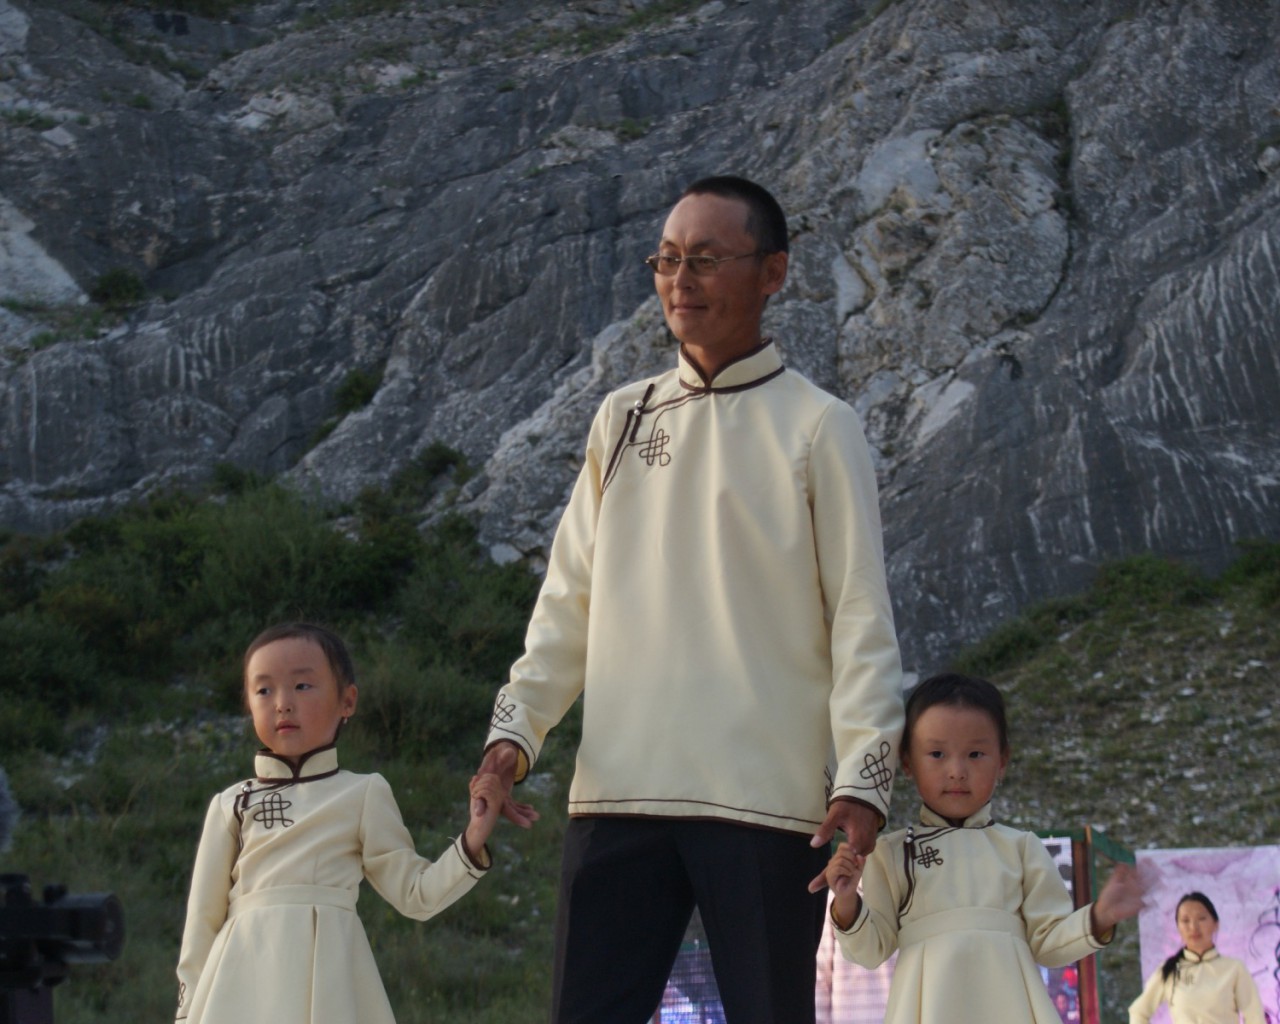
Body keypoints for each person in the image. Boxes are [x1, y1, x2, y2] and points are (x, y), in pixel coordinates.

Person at [478, 175, 905, 1024]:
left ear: (773, 272)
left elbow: (860, 616)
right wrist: (512, 736)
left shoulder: (819, 426)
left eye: (707, 259)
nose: (681, 280)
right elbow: (568, 602)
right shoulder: (622, 419)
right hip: (619, 791)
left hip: (765, 800)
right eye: (668, 260)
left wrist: (865, 777)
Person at [175, 622, 505, 1024]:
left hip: (330, 982)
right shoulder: (230, 803)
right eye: (264, 690)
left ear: (347, 701)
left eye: (302, 686)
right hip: (239, 982)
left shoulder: (362, 793)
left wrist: (473, 837)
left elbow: (416, 894)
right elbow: (202, 923)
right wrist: (187, 1013)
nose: (282, 703)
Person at [820, 673, 1147, 1024]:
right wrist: (847, 901)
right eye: (937, 754)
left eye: (975, 754)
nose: (957, 771)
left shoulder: (1022, 848)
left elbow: (1048, 944)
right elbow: (871, 951)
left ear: (1002, 760)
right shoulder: (890, 853)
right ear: (908, 762)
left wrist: (1100, 917)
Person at [1128, 892, 1266, 1024]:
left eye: (1201, 919)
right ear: (1178, 927)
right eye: (1185, 920)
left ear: (1215, 924)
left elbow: (1255, 1017)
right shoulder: (1169, 970)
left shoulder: (1234, 969)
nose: (1193, 927)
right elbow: (1139, 1011)